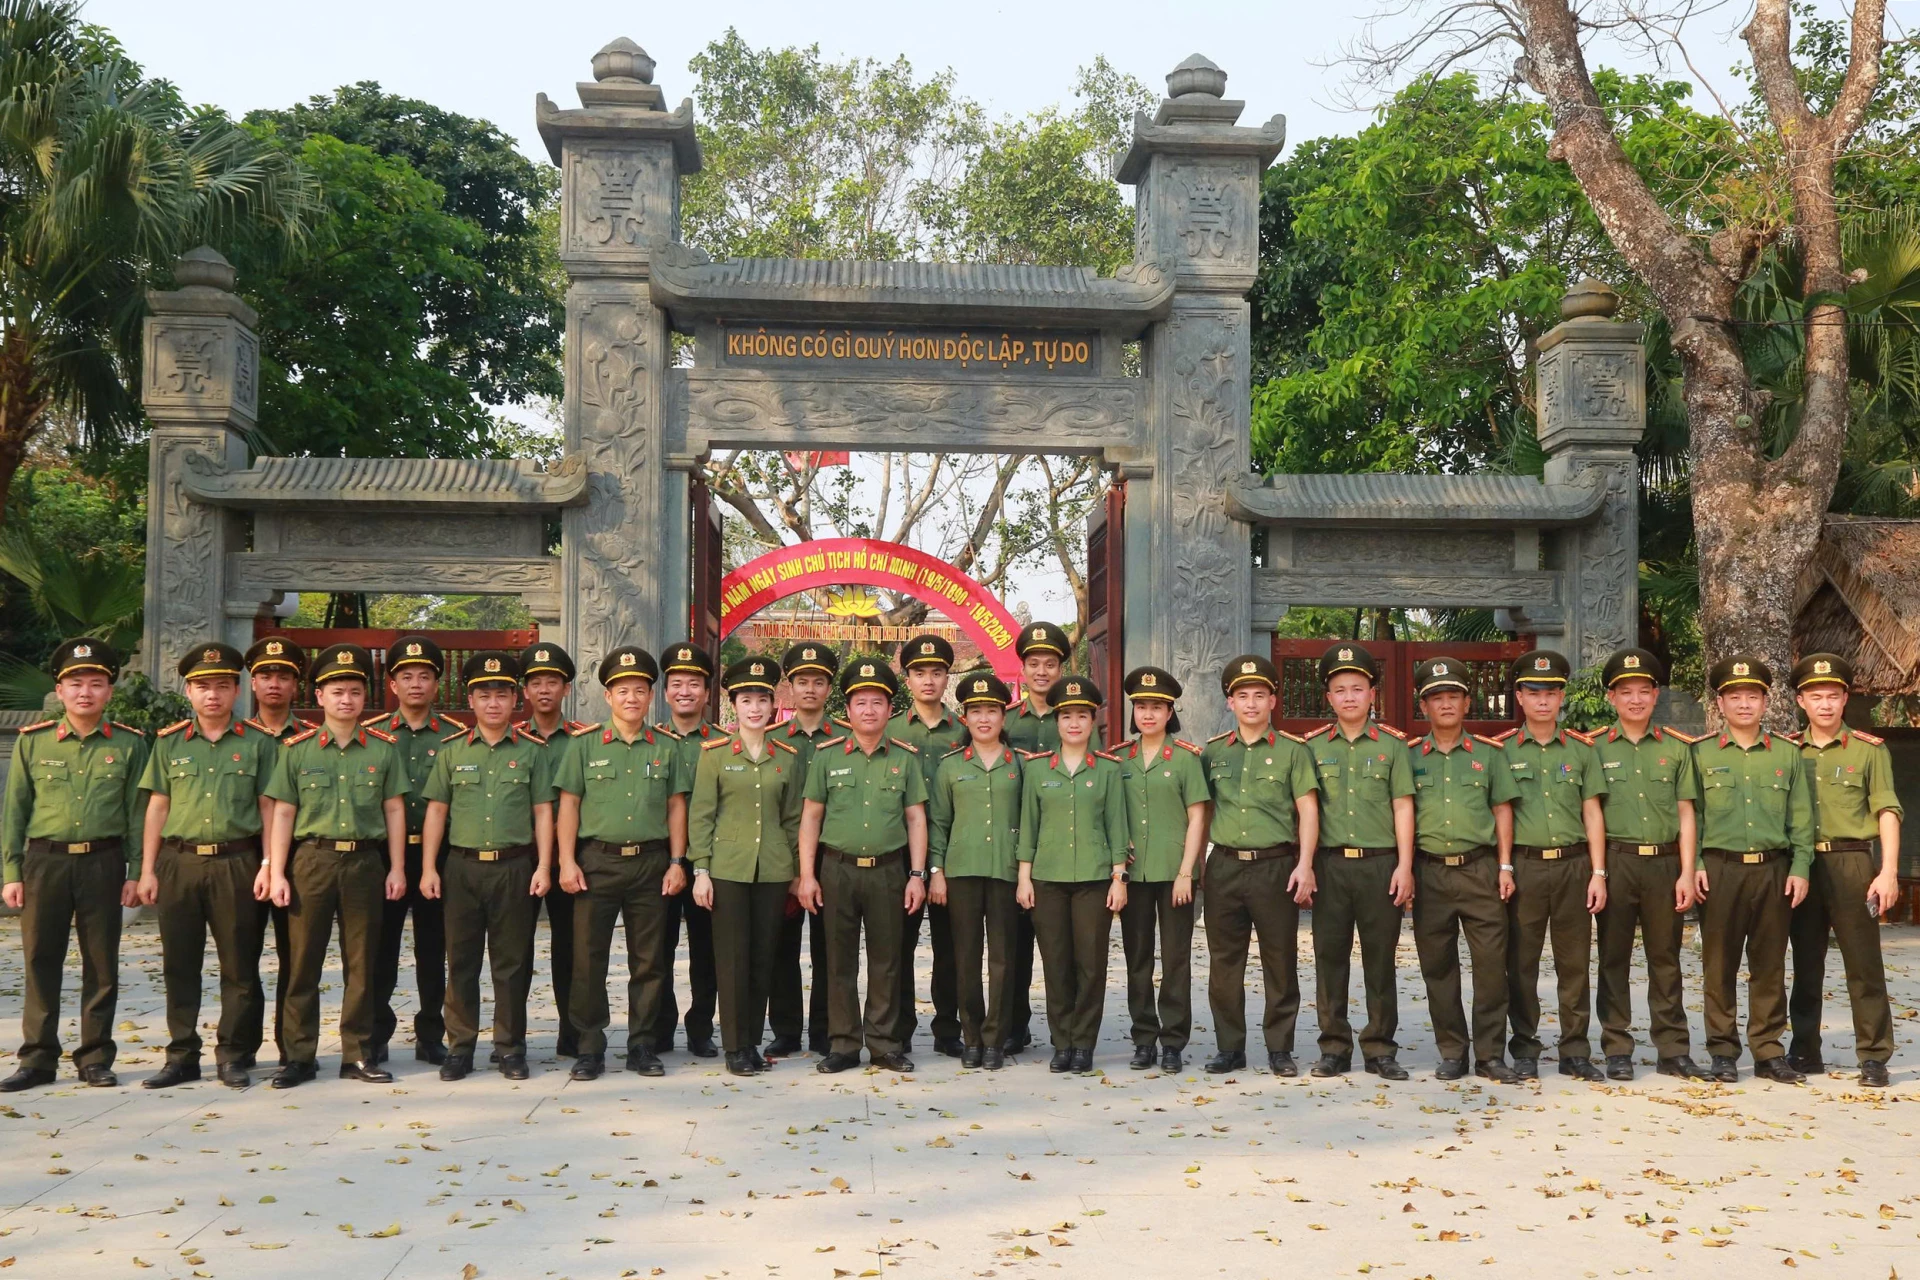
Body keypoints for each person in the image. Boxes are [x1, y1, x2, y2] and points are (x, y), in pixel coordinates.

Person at [0, 638, 147, 1093]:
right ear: (60, 690)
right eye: (76, 683)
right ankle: (37, 1058)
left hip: (103, 861)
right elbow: (15, 811)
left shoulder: (129, 745)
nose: (86, 692)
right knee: (40, 959)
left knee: (101, 962)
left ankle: (96, 1057)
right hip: (45, 862)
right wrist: (11, 872)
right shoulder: (34, 742)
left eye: (96, 684)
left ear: (110, 691)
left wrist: (136, 872)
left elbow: (137, 815)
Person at [261, 645, 408, 1088]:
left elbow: (394, 810)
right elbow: (283, 812)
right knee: (302, 962)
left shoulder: (383, 750)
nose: (347, 700)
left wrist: (397, 868)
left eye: (355, 692)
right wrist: (276, 870)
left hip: (365, 862)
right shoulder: (297, 750)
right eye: (338, 691)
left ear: (366, 698)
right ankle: (299, 1056)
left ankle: (358, 1054)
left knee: (362, 963)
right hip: (312, 860)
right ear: (320, 696)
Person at [137, 642, 275, 1090]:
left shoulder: (258, 743)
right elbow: (158, 807)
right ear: (189, 691)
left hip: (238, 862)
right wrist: (148, 869)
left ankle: (234, 1054)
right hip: (179, 863)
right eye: (202, 686)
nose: (211, 694)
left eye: (221, 686)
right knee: (179, 964)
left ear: (237, 690)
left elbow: (269, 808)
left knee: (240, 965)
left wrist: (268, 864)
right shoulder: (169, 742)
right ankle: (181, 1055)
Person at [420, 651, 557, 1082]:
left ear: (515, 699)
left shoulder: (532, 752)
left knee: (511, 963)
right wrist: (428, 868)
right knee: (461, 961)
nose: (493, 703)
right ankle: (460, 1047)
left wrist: (544, 866)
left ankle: (510, 1048)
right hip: (461, 869)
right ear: (471, 700)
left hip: (514, 868)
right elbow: (437, 812)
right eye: (484, 695)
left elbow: (543, 812)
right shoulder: (452, 751)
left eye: (501, 695)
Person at [557, 646, 689, 1081]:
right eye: (622, 690)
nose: (631, 698)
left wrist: (677, 862)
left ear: (651, 696)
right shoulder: (584, 745)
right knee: (588, 959)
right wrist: (566, 862)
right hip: (596, 862)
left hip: (651, 863)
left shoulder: (666, 747)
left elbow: (676, 807)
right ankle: (589, 1046)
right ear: (608, 696)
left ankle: (642, 1044)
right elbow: (569, 805)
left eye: (639, 690)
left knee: (649, 960)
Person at [795, 657, 928, 1074]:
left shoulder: (905, 759)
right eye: (860, 702)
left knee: (887, 960)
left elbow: (916, 819)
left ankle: (885, 1044)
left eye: (877, 702)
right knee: (839, 962)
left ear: (890, 710)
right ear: (848, 710)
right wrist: (807, 875)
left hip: (889, 871)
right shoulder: (827, 757)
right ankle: (844, 1044)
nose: (869, 710)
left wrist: (917, 875)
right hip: (838, 870)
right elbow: (811, 818)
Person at [1692, 654, 1814, 1084]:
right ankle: (1723, 1051)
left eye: (1752, 697)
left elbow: (1801, 819)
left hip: (1772, 870)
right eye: (1734, 697)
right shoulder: (1701, 753)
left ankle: (1768, 1050)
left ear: (1766, 702)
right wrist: (1695, 864)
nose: (1744, 705)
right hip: (1719, 870)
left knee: (1769, 964)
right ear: (1720, 703)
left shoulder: (1787, 754)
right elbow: (1693, 817)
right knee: (1719, 965)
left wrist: (1801, 867)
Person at [1591, 647, 1707, 1081]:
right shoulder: (1594, 748)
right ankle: (1617, 1048)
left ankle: (1673, 1049)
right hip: (1617, 862)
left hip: (1664, 865)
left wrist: (1686, 871)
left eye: (1644, 691)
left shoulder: (1676, 748)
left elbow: (1686, 813)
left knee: (1666, 959)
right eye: (1626, 692)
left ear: (1656, 695)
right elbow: (1591, 813)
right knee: (1613, 959)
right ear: (1612, 697)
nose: (1635, 699)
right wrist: (1597, 873)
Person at [1786, 652, 1901, 1088]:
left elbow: (1887, 810)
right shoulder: (1787, 750)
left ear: (1845, 698)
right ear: (1801, 701)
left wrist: (1888, 871)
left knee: (1863, 963)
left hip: (1853, 863)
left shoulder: (1869, 750)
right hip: (1802, 865)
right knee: (1805, 961)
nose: (1825, 704)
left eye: (1833, 696)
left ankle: (1873, 1055)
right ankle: (1805, 1048)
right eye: (1816, 696)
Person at [1201, 655, 1319, 1077]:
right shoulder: (1213, 752)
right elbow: (1202, 811)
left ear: (1272, 700)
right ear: (1230, 702)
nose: (1250, 703)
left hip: (1275, 867)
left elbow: (1308, 810)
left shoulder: (1293, 751)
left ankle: (1279, 1048)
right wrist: (1196, 866)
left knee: (1280, 960)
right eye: (1242, 696)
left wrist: (1305, 865)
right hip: (1225, 866)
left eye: (1259, 695)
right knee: (1224, 963)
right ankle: (1229, 1047)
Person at [1495, 649, 1609, 1082]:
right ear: (1520, 697)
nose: (1543, 700)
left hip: (1573, 867)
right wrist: (1505, 867)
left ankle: (1575, 1051)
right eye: (1534, 692)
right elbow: (1501, 813)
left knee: (1574, 964)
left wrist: (1598, 873)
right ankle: (1525, 1048)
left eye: (1551, 692)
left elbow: (1592, 813)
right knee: (1521, 964)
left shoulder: (1581, 750)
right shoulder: (1502, 750)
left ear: (1562, 697)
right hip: (1524, 867)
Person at [1302, 643, 1414, 1081]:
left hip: (1380, 866)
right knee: (1329, 959)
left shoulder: (1393, 746)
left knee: (1380, 960)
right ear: (1328, 698)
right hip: (1330, 866)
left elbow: (1403, 807)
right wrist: (1305, 865)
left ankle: (1380, 1048)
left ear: (1372, 695)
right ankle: (1333, 1047)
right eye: (1340, 690)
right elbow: (1306, 810)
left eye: (1357, 688)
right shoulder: (1312, 747)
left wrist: (1405, 866)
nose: (1349, 697)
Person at [1407, 657, 1521, 1083]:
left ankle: (1490, 1055)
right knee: (1438, 968)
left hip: (1480, 870)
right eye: (1436, 697)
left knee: (1491, 967)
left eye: (1453, 696)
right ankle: (1452, 1051)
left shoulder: (1489, 755)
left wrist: (1505, 866)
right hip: (1429, 873)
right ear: (1424, 707)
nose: (1446, 704)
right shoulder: (1409, 757)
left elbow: (1503, 810)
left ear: (1467, 703)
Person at [689, 657, 805, 1077]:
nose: (754, 708)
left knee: (763, 958)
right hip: (728, 870)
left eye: (761, 700)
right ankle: (734, 1045)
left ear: (773, 705)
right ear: (732, 705)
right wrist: (701, 870)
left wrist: (797, 872)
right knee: (732, 960)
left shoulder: (786, 757)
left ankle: (752, 1042)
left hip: (773, 870)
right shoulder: (715, 755)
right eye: (745, 700)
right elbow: (702, 815)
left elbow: (793, 819)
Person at [1019, 675, 1130, 1074]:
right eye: (1066, 716)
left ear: (1092, 720)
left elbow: (1117, 824)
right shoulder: (1037, 770)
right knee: (1055, 963)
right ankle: (1061, 1041)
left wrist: (1119, 878)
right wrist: (1024, 877)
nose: (1074, 723)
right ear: (1057, 722)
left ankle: (1083, 1043)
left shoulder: (1108, 770)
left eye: (1082, 715)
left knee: (1090, 963)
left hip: (1094, 879)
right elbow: (1028, 826)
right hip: (1047, 878)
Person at [926, 669, 1023, 1070]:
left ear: (1003, 716)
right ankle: (971, 1036)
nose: (984, 719)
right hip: (960, 872)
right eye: (976, 711)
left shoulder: (1022, 765)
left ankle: (995, 1038)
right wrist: (935, 871)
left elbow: (1031, 820)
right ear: (964, 717)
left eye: (992, 711)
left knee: (1003, 959)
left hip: (1006, 871)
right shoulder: (950, 767)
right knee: (965, 957)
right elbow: (938, 823)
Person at [1115, 665, 1208, 1074]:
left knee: (1175, 960)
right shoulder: (1118, 758)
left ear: (1170, 712)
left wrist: (1187, 872)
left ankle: (1173, 1042)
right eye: (1141, 707)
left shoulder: (1186, 758)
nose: (1148, 714)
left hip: (1175, 875)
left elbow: (1197, 817)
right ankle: (1143, 1038)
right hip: (1133, 875)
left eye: (1157, 707)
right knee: (1137, 959)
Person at [1001, 621, 1088, 1054]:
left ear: (1061, 668)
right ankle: (1014, 1026)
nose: (1041, 671)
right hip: (1010, 846)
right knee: (1013, 946)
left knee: (1064, 950)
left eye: (1050, 664)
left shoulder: (1073, 717)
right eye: (1033, 663)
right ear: (1022, 668)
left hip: (1060, 845)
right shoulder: (1004, 719)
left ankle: (1069, 1032)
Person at [365, 634, 452, 1066]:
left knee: (433, 948)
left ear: (436, 684)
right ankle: (376, 1033)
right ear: (393, 684)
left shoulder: (455, 738)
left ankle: (431, 1033)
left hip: (439, 856)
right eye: (406, 676)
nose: (415, 684)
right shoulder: (373, 735)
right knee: (381, 946)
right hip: (385, 855)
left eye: (424, 676)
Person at [888, 634, 968, 1058]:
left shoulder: (964, 729)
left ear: (947, 677)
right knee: (898, 946)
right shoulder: (891, 729)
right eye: (920, 673)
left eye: (937, 673)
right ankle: (899, 1029)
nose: (929, 681)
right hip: (900, 849)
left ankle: (948, 1029)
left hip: (953, 850)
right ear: (908, 679)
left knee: (950, 947)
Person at [516, 642, 591, 1061]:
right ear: (525, 691)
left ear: (566, 689)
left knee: (571, 948)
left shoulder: (583, 740)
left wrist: (567, 859)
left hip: (570, 858)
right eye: (536, 683)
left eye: (553, 682)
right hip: (518, 856)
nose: (544, 689)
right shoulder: (510, 739)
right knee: (514, 950)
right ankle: (512, 1037)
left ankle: (572, 1032)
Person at [242, 635, 313, 1069]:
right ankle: (242, 1049)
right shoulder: (234, 737)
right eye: (265, 675)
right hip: (242, 857)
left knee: (297, 957)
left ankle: (294, 1049)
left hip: (298, 860)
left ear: (296, 685)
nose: (274, 683)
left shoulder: (310, 738)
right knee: (242, 958)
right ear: (252, 683)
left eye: (283, 676)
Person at [768, 643, 840, 1057]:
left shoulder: (846, 738)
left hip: (832, 860)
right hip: (783, 861)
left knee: (830, 950)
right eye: (801, 681)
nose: (809, 689)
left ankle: (825, 1029)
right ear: (789, 687)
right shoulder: (773, 741)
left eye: (818, 681)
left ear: (829, 688)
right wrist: (794, 869)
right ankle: (786, 1029)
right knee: (782, 950)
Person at [650, 641, 719, 1058]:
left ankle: (700, 1028)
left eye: (694, 684)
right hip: (659, 859)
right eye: (676, 683)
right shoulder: (651, 741)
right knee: (657, 948)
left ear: (707, 692)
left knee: (706, 951)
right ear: (665, 692)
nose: (685, 691)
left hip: (710, 860)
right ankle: (660, 1028)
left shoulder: (724, 743)